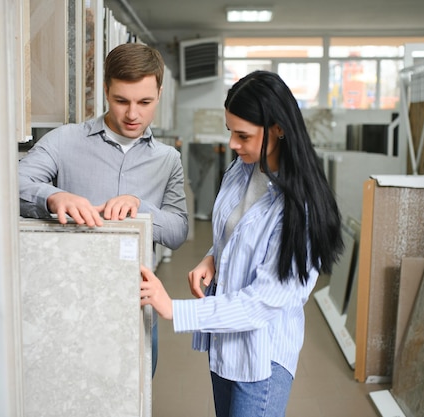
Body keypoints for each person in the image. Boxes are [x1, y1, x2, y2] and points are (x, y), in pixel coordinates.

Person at [139, 70, 343, 417]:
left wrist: (174, 308)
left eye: (243, 135)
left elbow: (261, 304)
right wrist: (213, 257)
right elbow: (235, 233)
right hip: (226, 342)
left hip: (263, 357)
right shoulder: (243, 168)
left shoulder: (300, 209)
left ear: (278, 128)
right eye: (230, 131)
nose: (233, 143)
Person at [18, 42, 189, 376]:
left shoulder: (167, 160)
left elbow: (179, 231)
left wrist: (141, 207)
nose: (132, 114)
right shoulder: (63, 141)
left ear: (160, 93)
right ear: (105, 90)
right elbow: (11, 183)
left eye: (145, 102)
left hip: (135, 305)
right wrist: (53, 196)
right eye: (121, 100)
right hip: (65, 300)